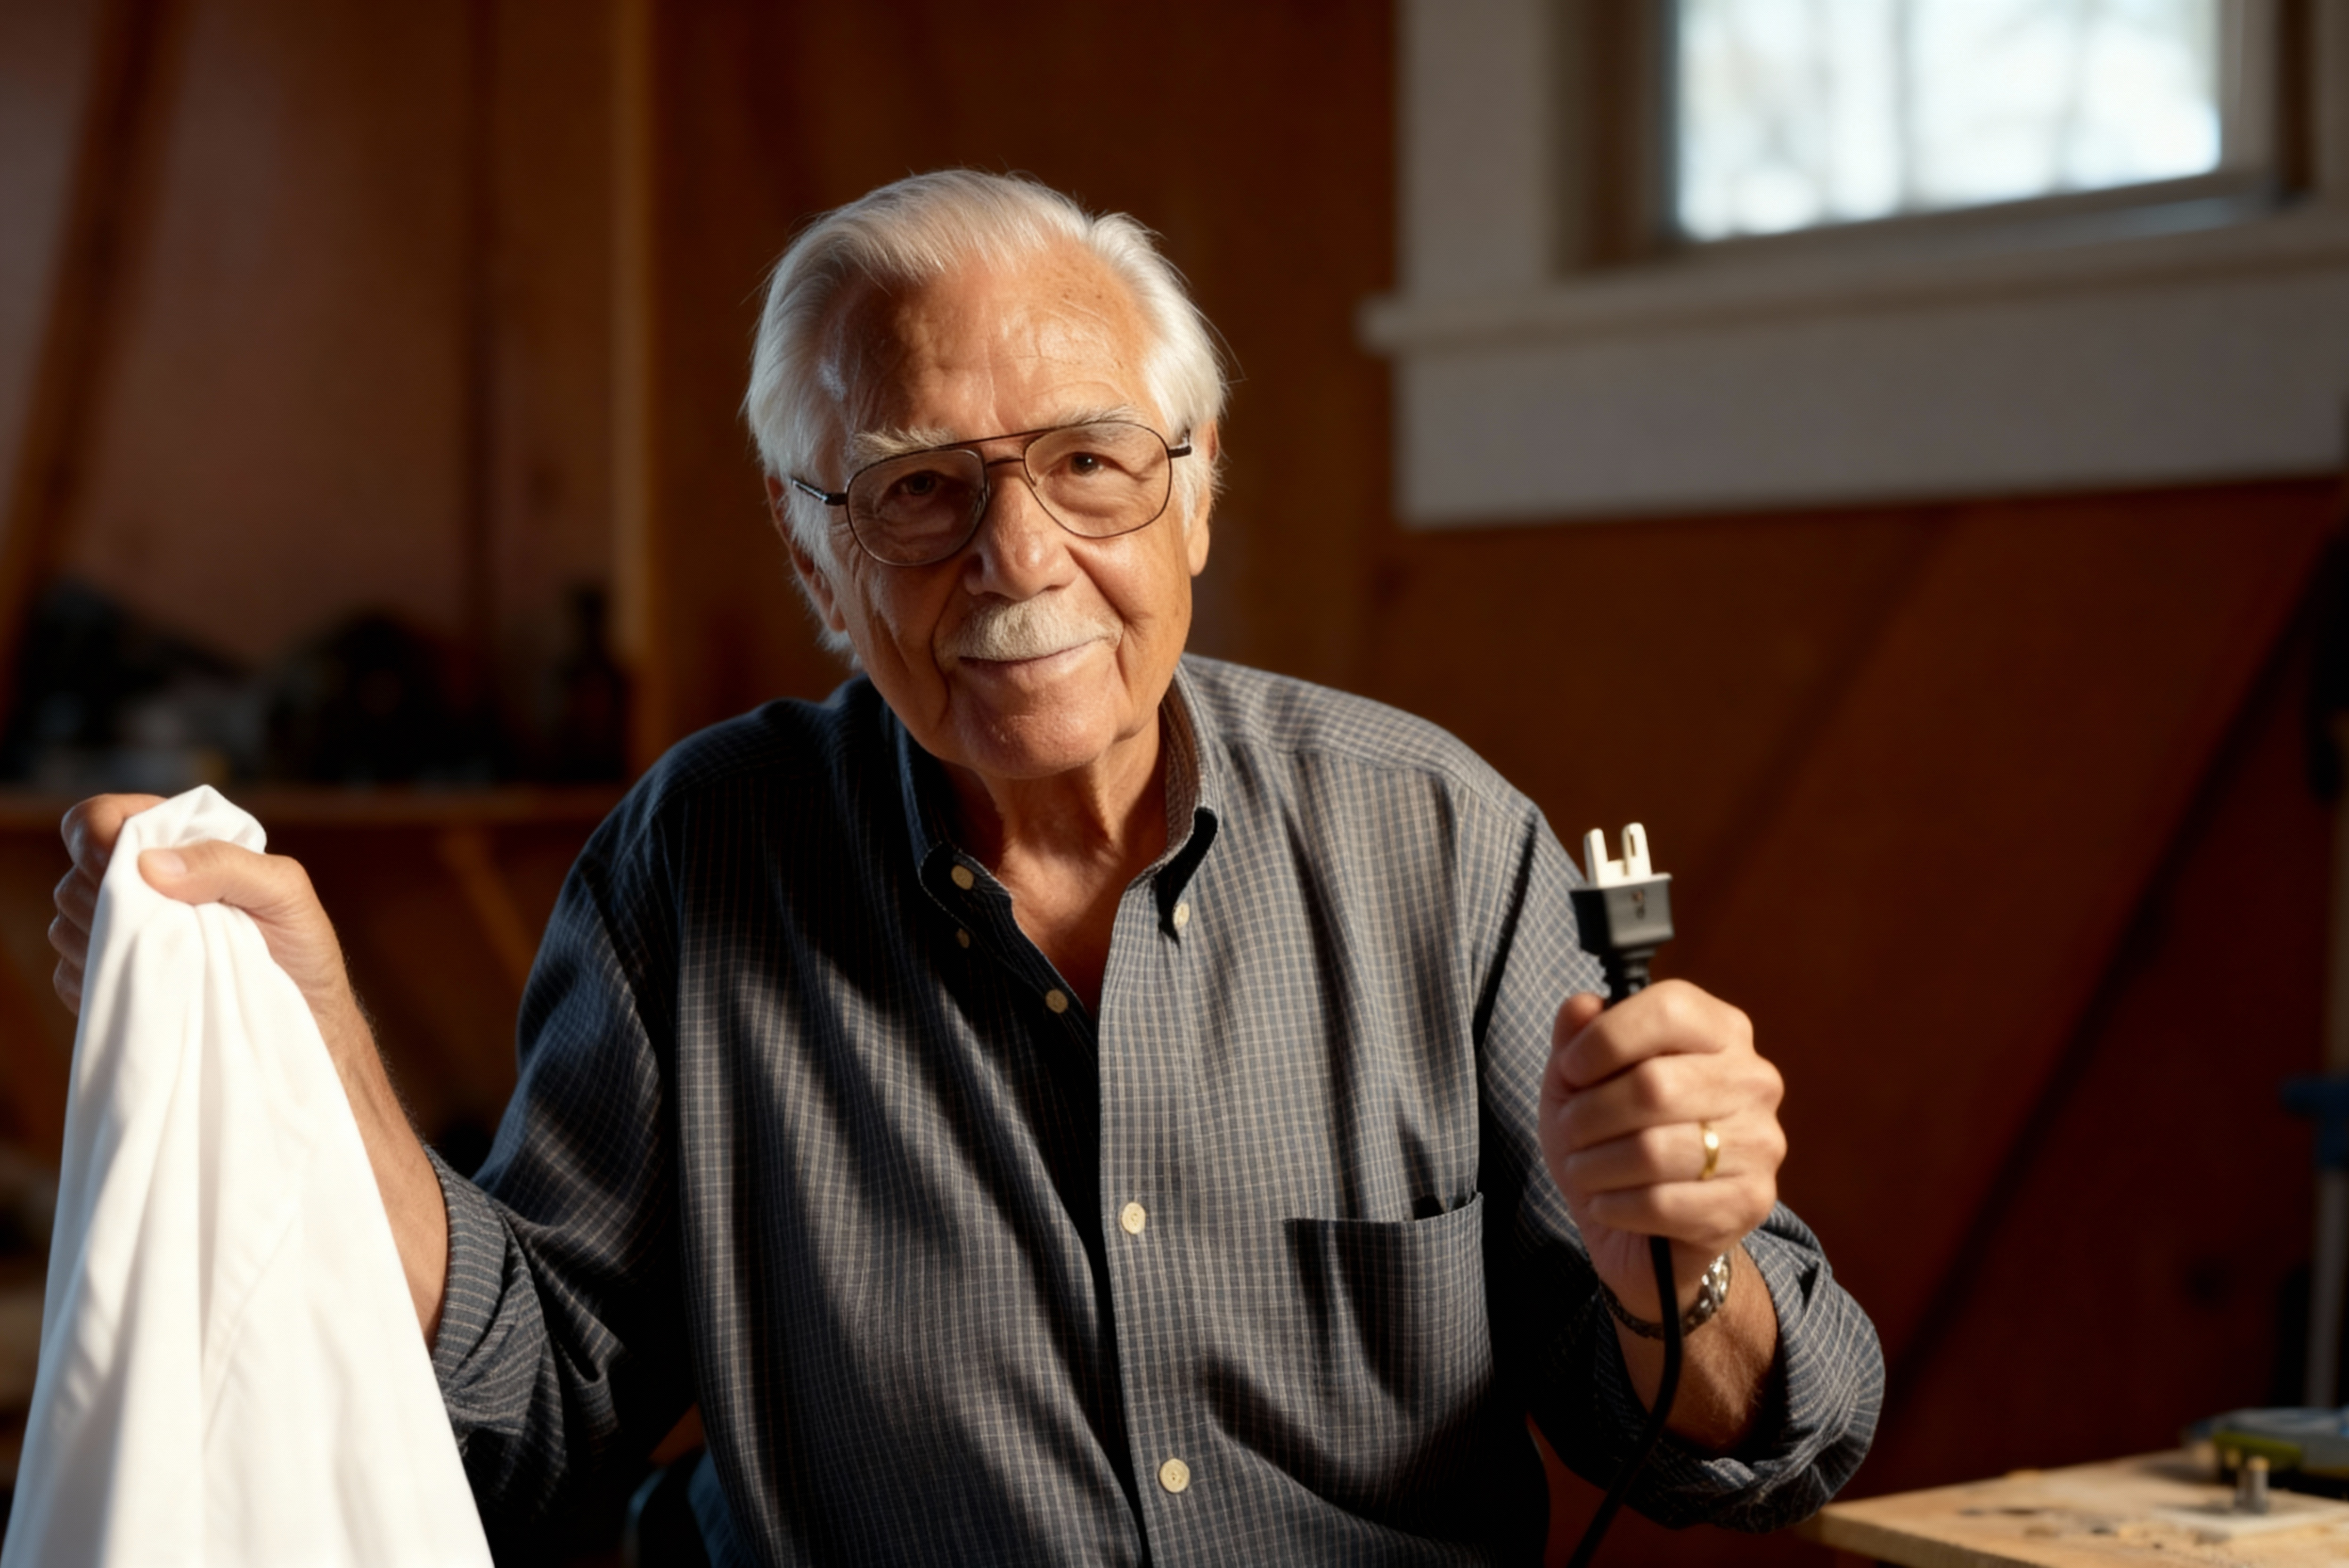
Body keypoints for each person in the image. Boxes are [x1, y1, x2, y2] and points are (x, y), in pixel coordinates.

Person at [49, 171, 1881, 1565]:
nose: (1017, 557)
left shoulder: (1435, 840)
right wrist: (316, 1048)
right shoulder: (702, 861)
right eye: (921, 487)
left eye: (1091, 463)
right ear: (810, 543)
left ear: (1198, 487)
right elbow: (525, 1418)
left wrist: (1681, 1255)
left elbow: (1750, 1443)